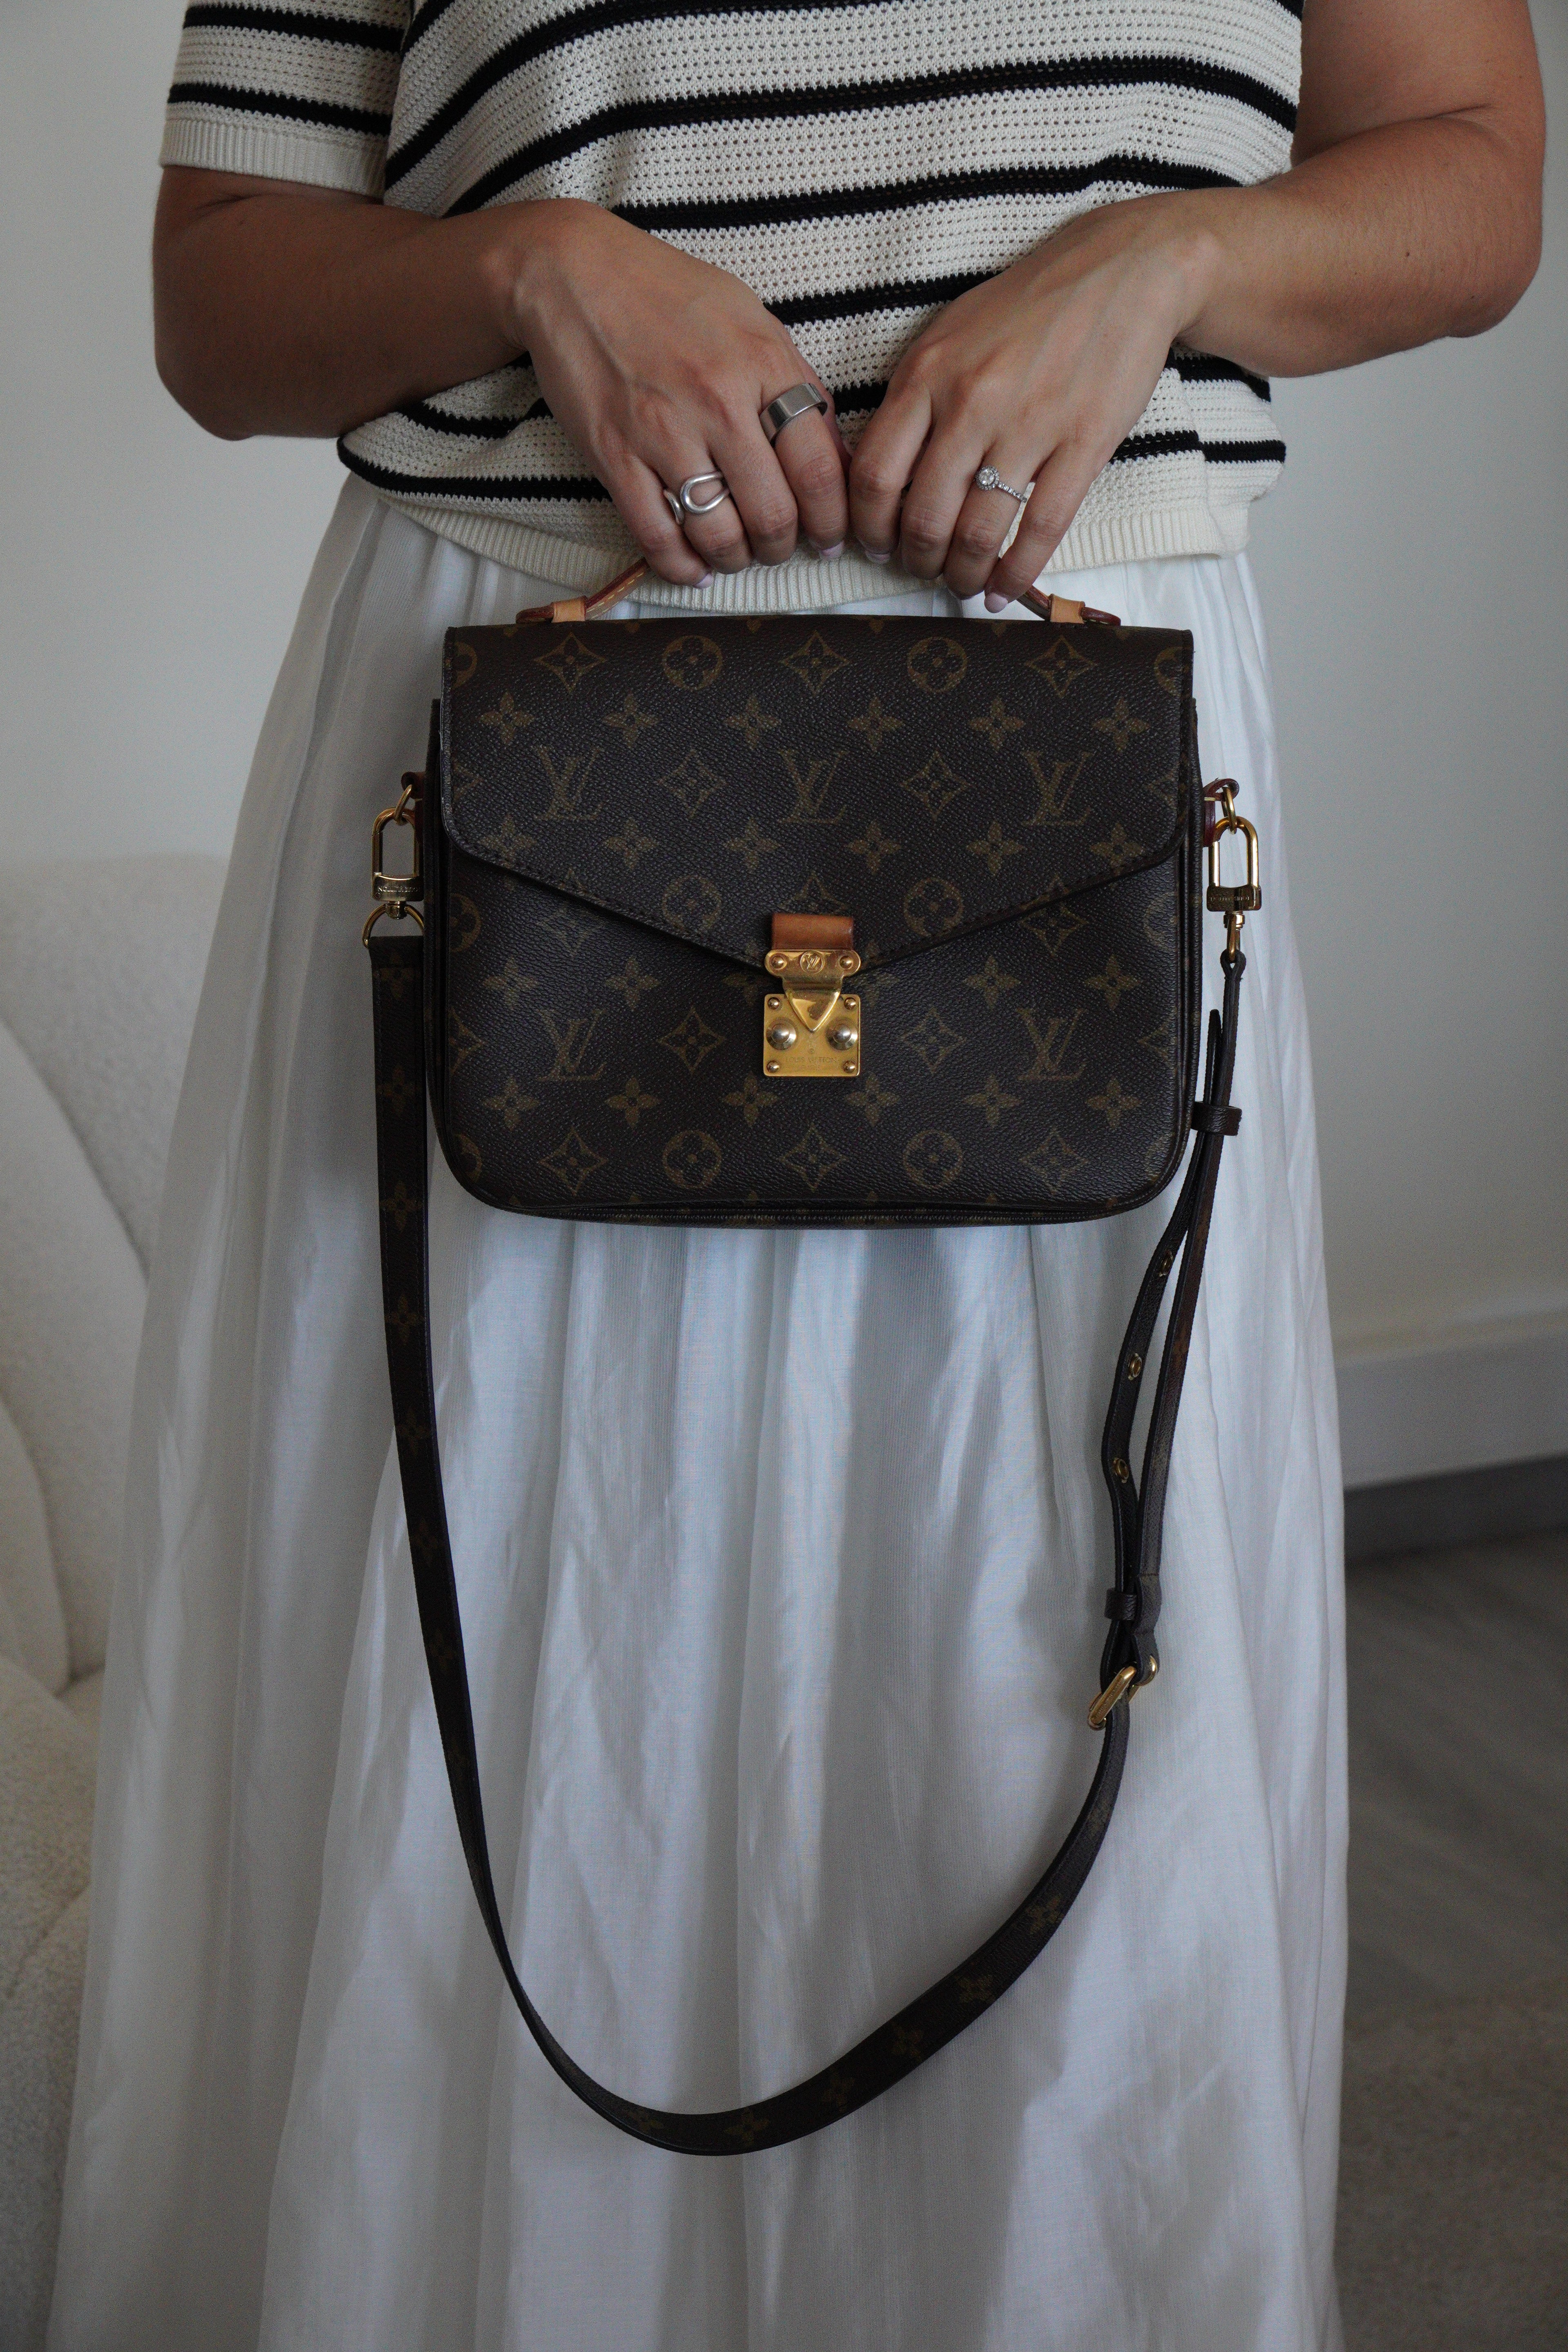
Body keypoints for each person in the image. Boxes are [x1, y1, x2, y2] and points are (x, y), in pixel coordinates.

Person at [49, 3, 1542, 2346]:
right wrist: (530, 265)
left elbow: (1468, 184)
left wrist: (1165, 260)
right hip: (525, 771)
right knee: (495, 1700)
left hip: (1068, 772)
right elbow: (220, 290)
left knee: (1031, 1675)